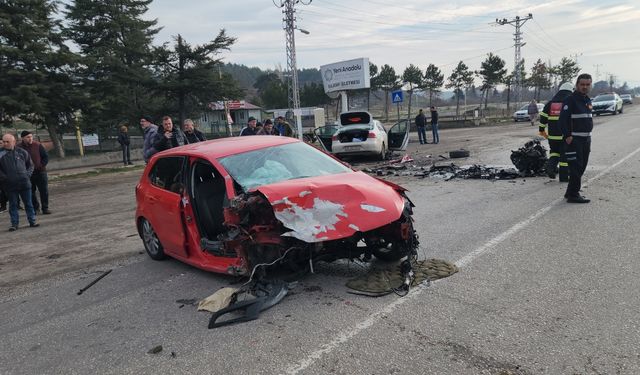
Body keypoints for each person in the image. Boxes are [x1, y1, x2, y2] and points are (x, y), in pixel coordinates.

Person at [559, 73, 593, 204]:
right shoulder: (570, 99)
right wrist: (567, 136)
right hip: (574, 140)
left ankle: (570, 192)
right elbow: (562, 120)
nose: (585, 87)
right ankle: (574, 194)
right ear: (577, 85)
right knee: (575, 167)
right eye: (582, 84)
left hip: (586, 140)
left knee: (581, 167)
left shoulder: (587, 99)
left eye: (587, 84)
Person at [0, 133, 39, 231]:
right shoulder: (0, 154)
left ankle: (32, 221)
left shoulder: (22, 152)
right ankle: (14, 224)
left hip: (24, 183)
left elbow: (30, 165)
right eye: (3, 141)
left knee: (28, 204)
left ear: (13, 142)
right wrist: (5, 178)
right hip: (10, 185)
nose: (5, 143)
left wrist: (27, 175)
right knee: (13, 205)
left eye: (7, 142)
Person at [539, 82, 574, 182]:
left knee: (554, 153)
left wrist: (541, 130)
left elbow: (543, 118)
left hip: (552, 136)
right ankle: (563, 178)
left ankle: (550, 168)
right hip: (565, 136)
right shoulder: (569, 102)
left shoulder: (551, 103)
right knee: (564, 157)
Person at [19, 131, 51, 214]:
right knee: (31, 192)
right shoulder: (18, 147)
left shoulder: (37, 145)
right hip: (28, 174)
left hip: (40, 172)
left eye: (31, 136)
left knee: (44, 191)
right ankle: (36, 208)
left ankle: (45, 208)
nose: (30, 138)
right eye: (28, 137)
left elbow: (45, 157)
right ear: (22, 138)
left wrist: (41, 165)